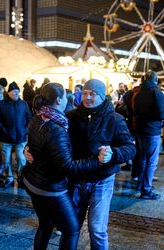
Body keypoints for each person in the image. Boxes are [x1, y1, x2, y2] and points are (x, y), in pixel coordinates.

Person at [23, 82, 112, 250]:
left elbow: (35, 144)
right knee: (71, 230)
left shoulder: (39, 116)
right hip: (50, 187)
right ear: (58, 100)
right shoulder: (57, 127)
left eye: (92, 94)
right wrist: (97, 161)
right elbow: (67, 167)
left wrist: (26, 150)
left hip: (32, 181)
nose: (85, 97)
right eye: (65, 96)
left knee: (46, 224)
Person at [67, 79, 136, 249]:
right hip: (77, 179)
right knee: (72, 226)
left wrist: (114, 154)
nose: (87, 97)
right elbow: (52, 137)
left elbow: (130, 148)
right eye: (84, 93)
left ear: (102, 95)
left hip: (102, 181)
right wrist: (30, 147)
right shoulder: (71, 116)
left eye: (92, 94)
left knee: (97, 229)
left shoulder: (115, 119)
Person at [134, 71, 164, 200]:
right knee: (151, 162)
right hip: (152, 131)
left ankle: (140, 185)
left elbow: (136, 111)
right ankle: (146, 190)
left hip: (140, 130)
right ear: (156, 80)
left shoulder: (139, 93)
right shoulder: (157, 92)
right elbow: (161, 113)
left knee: (143, 159)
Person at [0, 82, 32, 188]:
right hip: (5, 138)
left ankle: (21, 178)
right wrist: (4, 130)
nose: (16, 94)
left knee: (21, 158)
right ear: (9, 93)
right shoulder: (1, 104)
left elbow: (29, 118)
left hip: (21, 137)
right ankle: (9, 178)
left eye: (17, 92)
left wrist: (25, 130)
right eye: (14, 92)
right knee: (6, 160)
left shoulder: (23, 104)